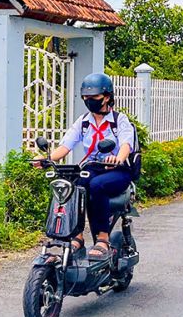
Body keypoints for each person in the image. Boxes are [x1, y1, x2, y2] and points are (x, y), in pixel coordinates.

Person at [38, 72, 135, 262]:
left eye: (94, 97)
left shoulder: (119, 120)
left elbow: (126, 145)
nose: (89, 101)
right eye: (86, 98)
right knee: (75, 185)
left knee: (97, 186)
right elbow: (65, 147)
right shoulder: (83, 122)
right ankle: (77, 236)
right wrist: (45, 159)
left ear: (107, 97)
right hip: (93, 166)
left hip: (118, 169)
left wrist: (117, 158)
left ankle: (103, 239)